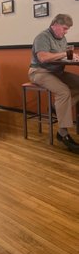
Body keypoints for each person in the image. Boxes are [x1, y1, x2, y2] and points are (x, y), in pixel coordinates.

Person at [29, 13, 79, 153]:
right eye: (64, 28)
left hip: (57, 72)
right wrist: (64, 54)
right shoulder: (42, 37)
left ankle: (56, 107)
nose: (66, 31)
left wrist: (72, 58)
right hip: (39, 71)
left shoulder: (62, 39)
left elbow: (61, 57)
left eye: (67, 29)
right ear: (55, 25)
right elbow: (43, 58)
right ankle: (63, 134)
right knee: (63, 91)